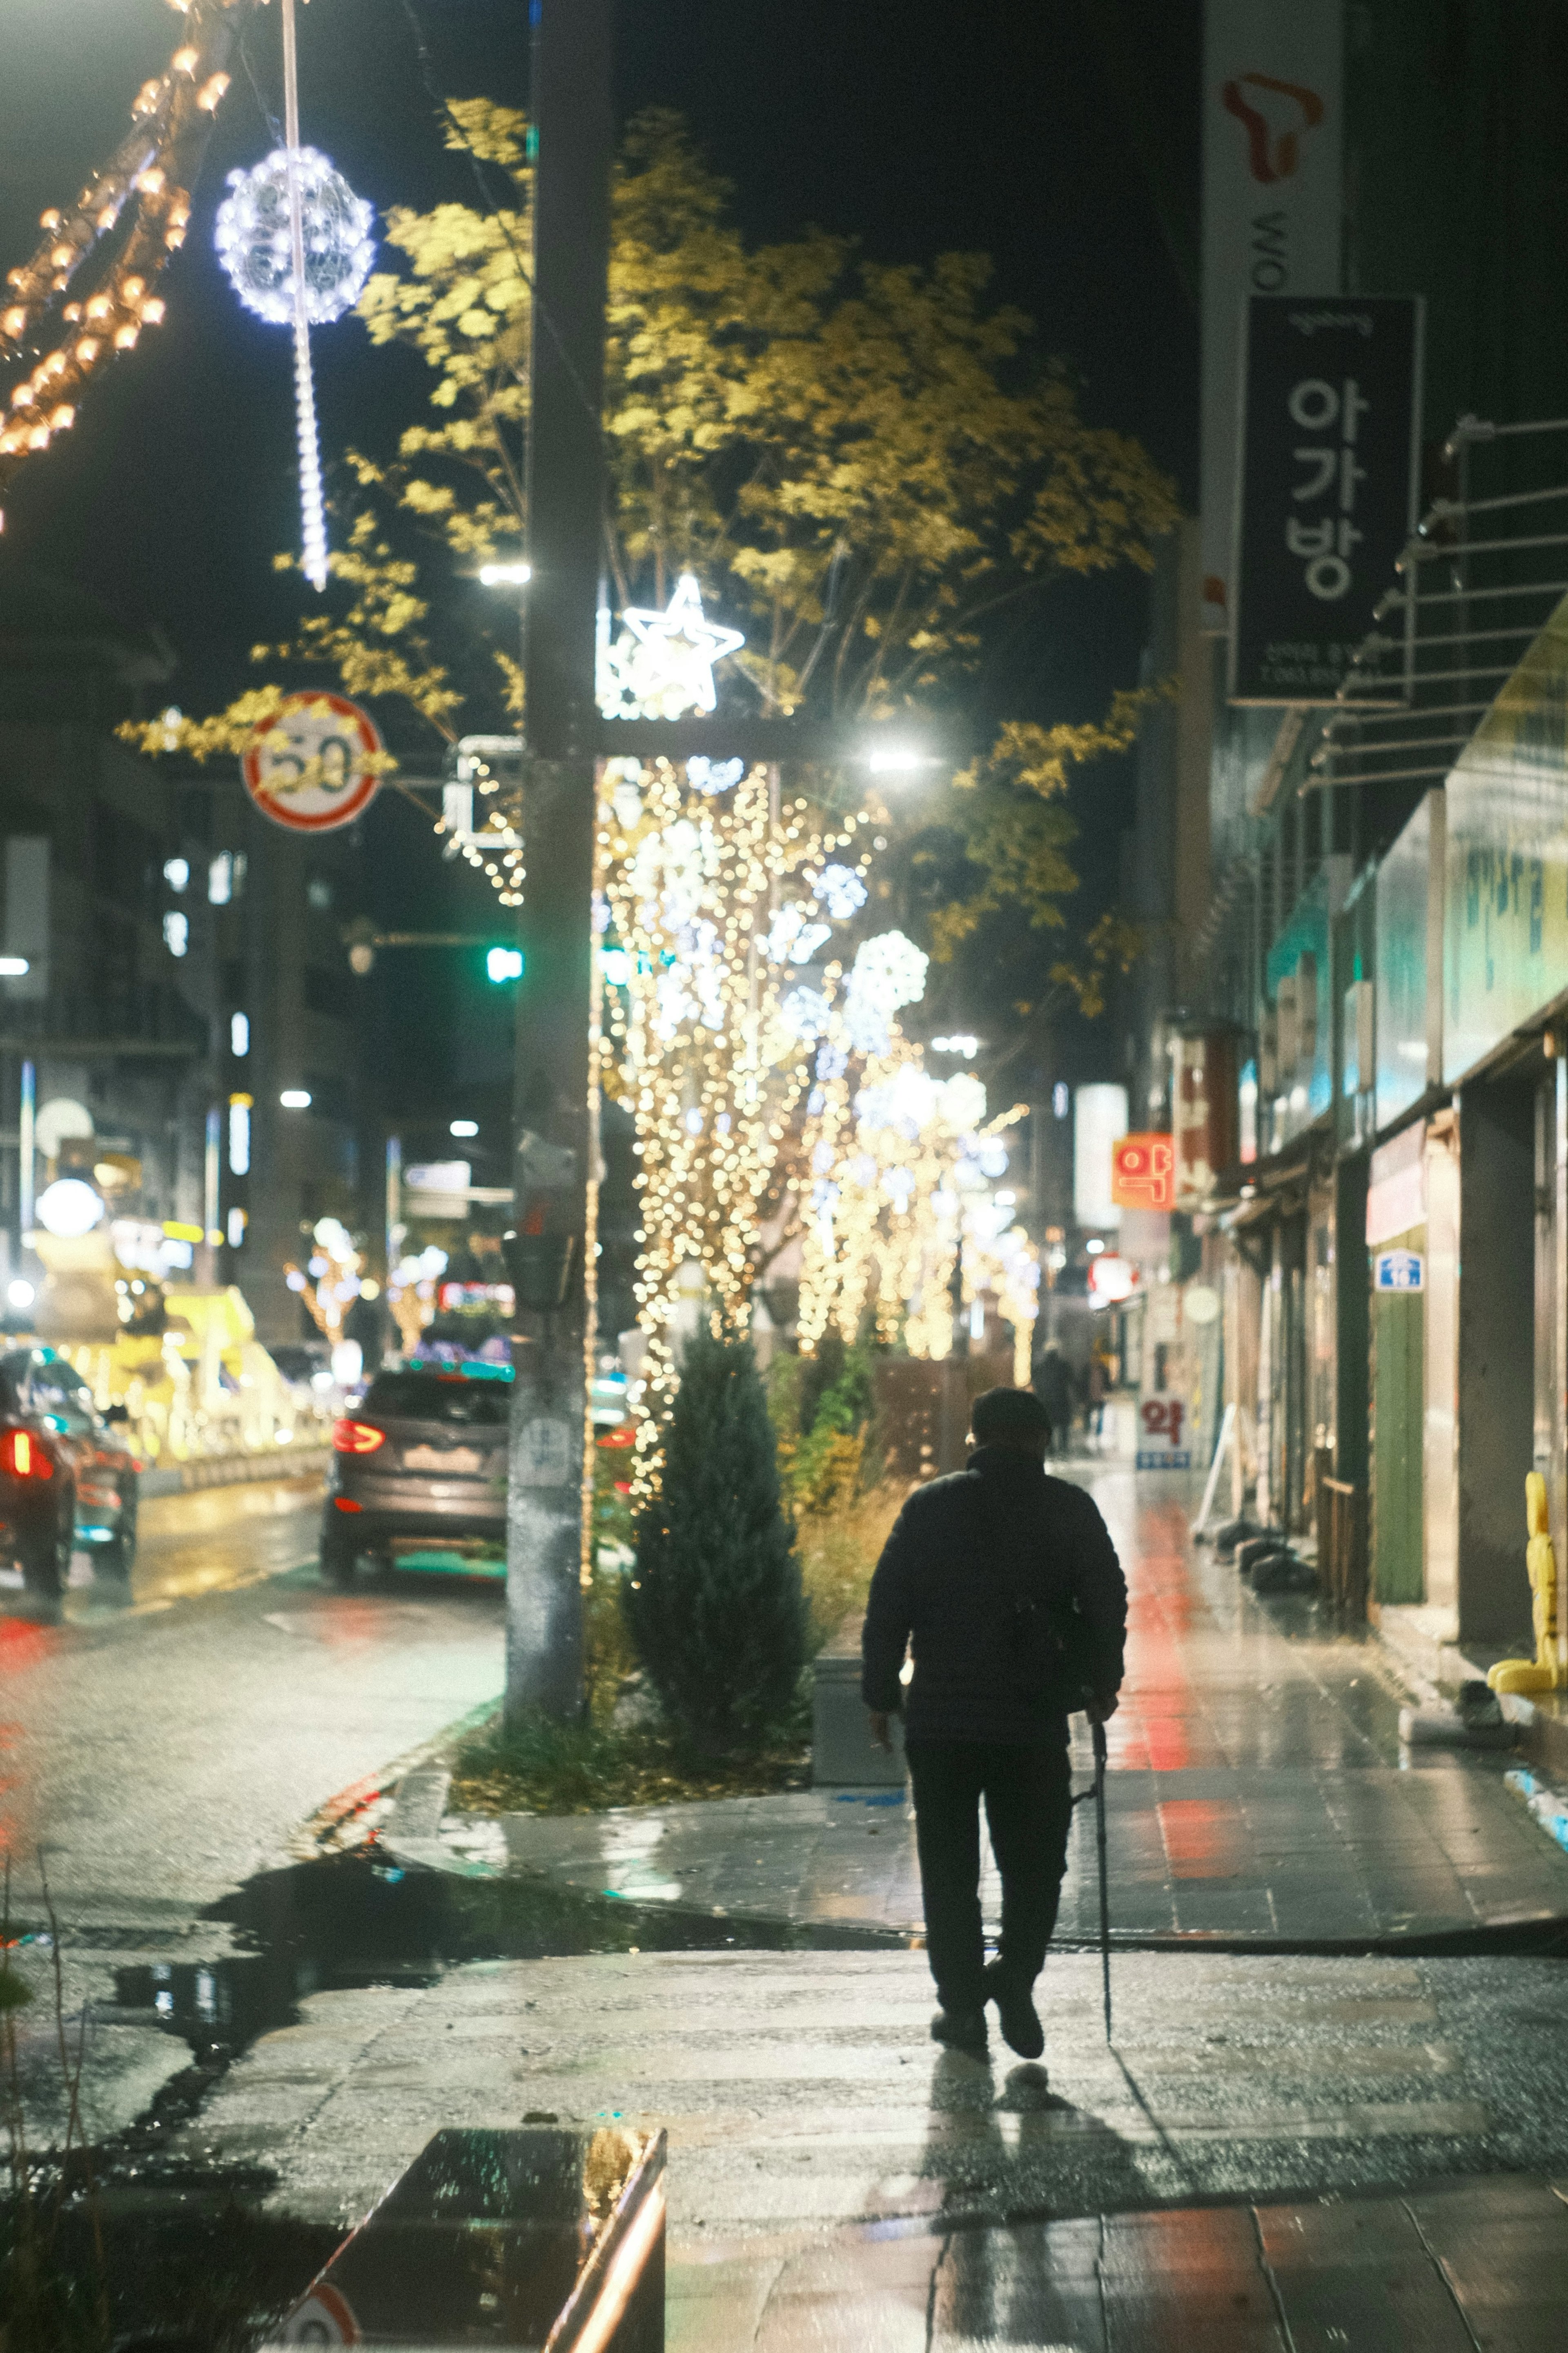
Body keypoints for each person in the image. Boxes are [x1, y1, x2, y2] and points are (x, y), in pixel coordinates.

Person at [862, 1385, 1126, 2061]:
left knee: (948, 1871)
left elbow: (889, 1600)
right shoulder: (1069, 1508)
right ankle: (1014, 1977)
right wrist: (1103, 1683)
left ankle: (961, 2009)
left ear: (974, 1439)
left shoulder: (929, 1507)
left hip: (942, 1724)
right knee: (1034, 1866)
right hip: (1031, 1722)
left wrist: (878, 1693)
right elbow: (1106, 1598)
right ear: (1042, 1442)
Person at [1031, 1341, 1076, 1454]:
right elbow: (1072, 1382)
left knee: (1049, 1427)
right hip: (1062, 1401)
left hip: (1046, 1402)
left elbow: (1036, 1385)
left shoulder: (1040, 1368)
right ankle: (1063, 1449)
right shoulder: (1064, 1366)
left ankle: (1050, 1450)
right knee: (1064, 1428)